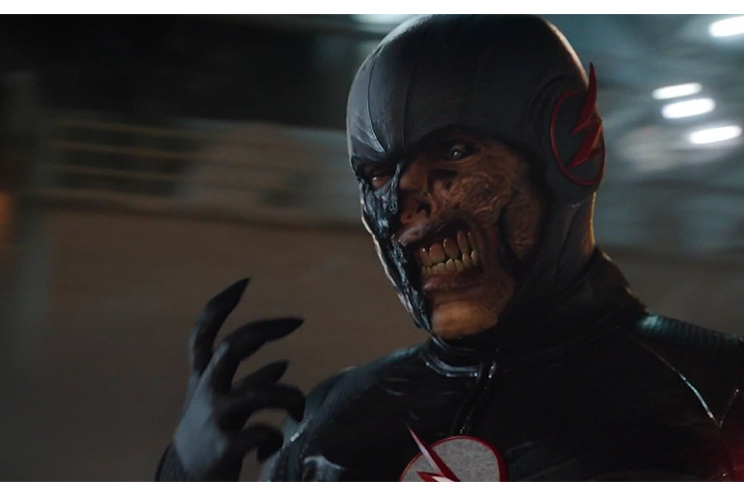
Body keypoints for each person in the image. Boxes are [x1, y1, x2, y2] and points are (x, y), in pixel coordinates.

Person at [156, 15, 744, 482]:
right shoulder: (331, 423)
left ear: (572, 152)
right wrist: (186, 475)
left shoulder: (718, 394)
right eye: (378, 175)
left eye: (455, 152)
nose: (404, 208)